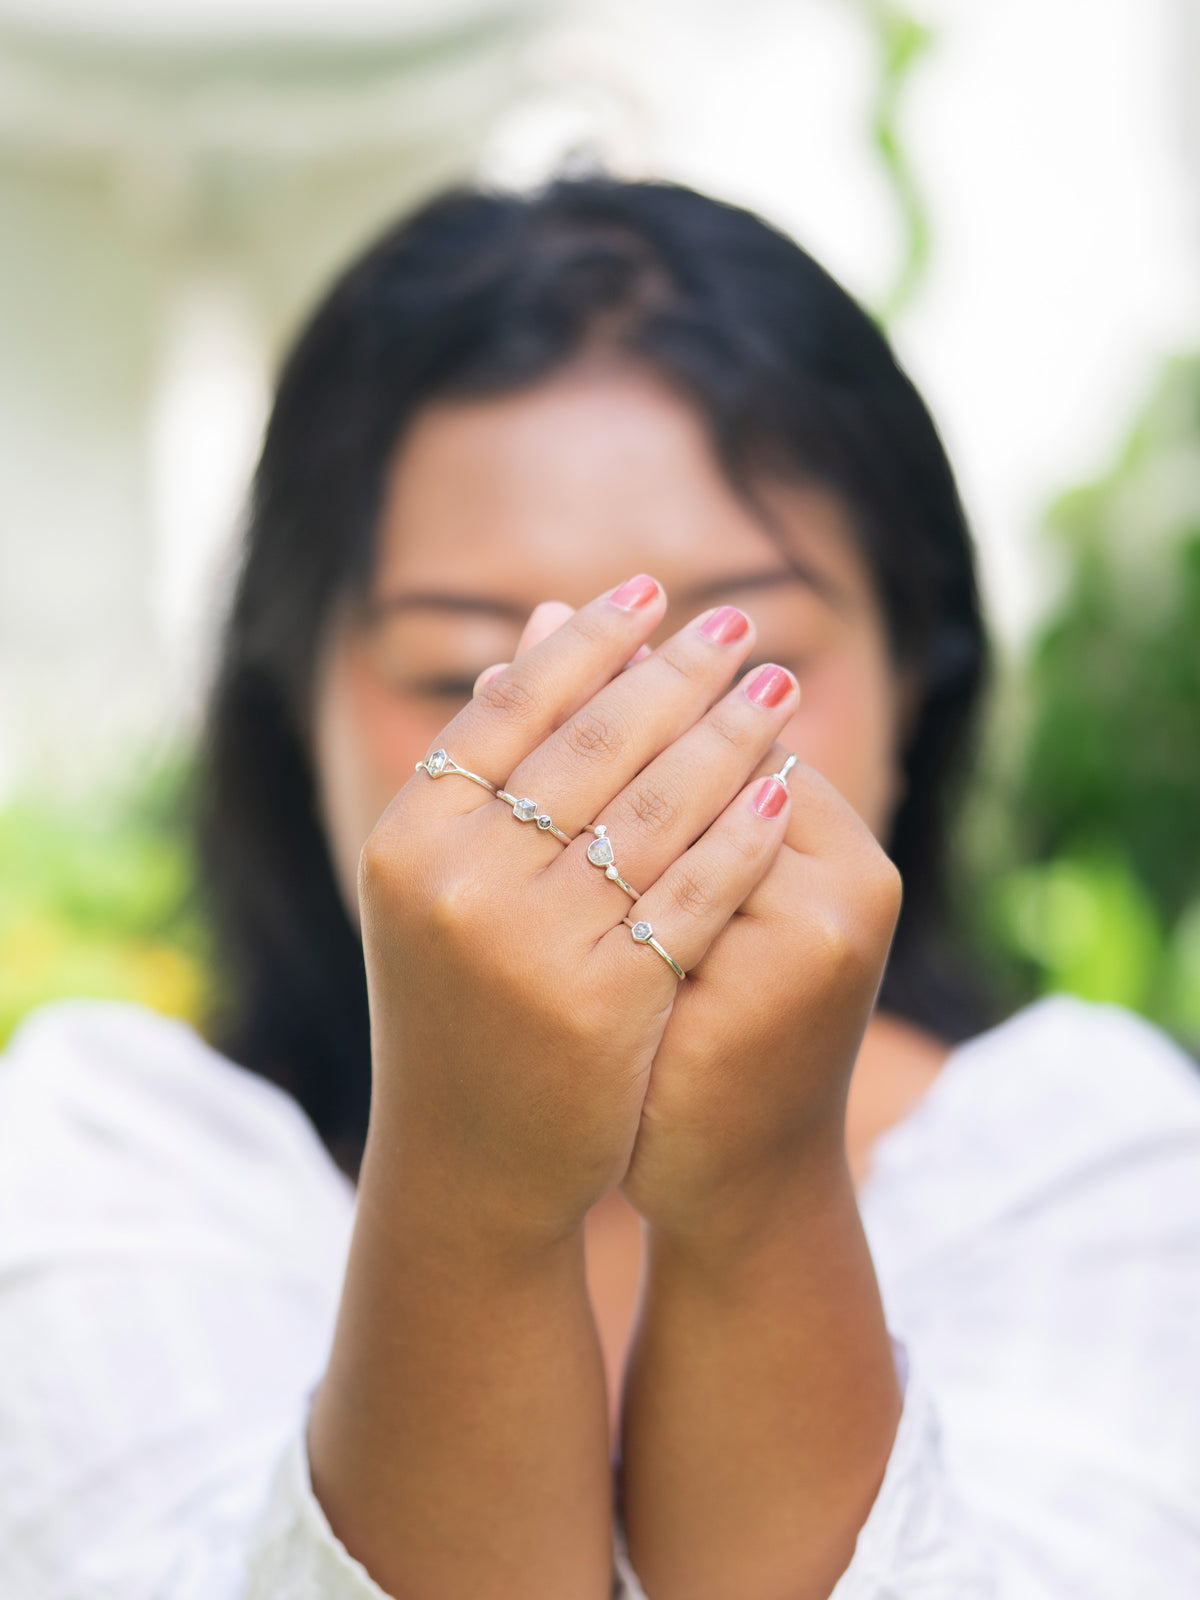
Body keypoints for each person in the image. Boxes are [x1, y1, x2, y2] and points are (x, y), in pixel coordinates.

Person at [1, 176, 1198, 1600]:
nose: (617, 776)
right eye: (464, 678)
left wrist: (759, 1195)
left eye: (740, 663)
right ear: (290, 706)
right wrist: (470, 1178)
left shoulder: (1091, 1160)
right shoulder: (116, 1160)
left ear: (914, 680)